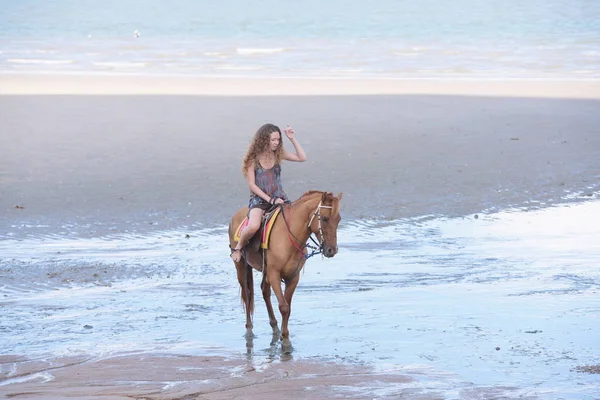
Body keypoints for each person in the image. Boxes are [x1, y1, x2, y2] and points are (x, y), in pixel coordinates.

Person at [230, 123, 307, 262]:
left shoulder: (278, 155)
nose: (276, 143)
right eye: (273, 140)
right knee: (254, 226)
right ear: (264, 140)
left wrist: (292, 139)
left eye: (278, 140)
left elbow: (302, 158)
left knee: (296, 222)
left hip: (280, 198)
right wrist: (270, 200)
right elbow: (252, 185)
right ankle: (238, 248)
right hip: (259, 201)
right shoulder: (252, 160)